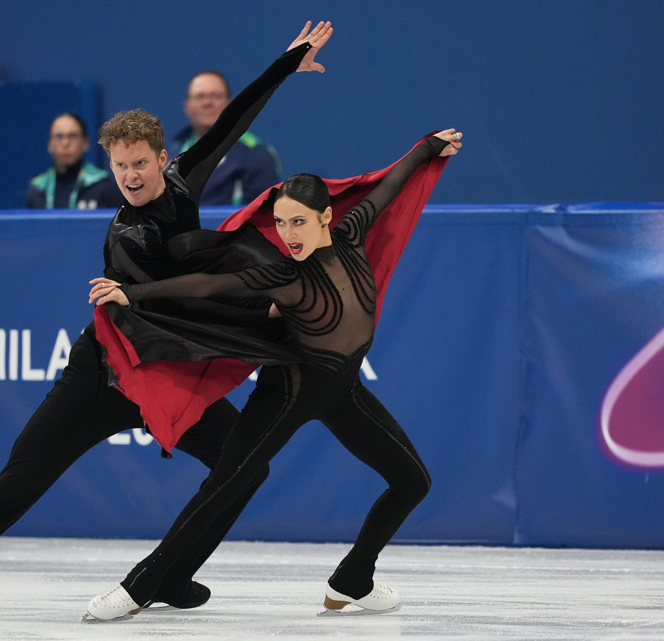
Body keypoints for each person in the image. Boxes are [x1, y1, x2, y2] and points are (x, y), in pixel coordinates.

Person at [0, 20, 333, 618]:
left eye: (140, 163)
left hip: (161, 370)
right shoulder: (127, 236)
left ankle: (169, 574)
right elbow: (188, 301)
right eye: (119, 167)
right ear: (108, 167)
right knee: (24, 474)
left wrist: (284, 65)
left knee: (245, 464)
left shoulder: (181, 183)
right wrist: (264, 306)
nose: (131, 177)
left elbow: (232, 121)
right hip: (105, 371)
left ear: (164, 159)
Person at [84, 128, 462, 621]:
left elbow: (388, 186)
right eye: (281, 223)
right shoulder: (284, 275)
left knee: (412, 482)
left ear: (327, 218)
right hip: (289, 393)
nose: (288, 234)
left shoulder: (353, 236)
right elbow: (207, 284)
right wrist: (132, 294)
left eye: (299, 222)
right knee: (224, 483)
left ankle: (353, 579)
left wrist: (429, 148)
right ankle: (136, 588)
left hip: (343, 391)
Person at [170, 70, 283, 206]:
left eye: (216, 96)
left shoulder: (257, 156)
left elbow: (263, 217)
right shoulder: (170, 157)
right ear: (186, 107)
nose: (207, 103)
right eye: (199, 97)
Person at [25, 113, 123, 210]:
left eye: (72, 136)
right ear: (49, 144)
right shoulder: (38, 191)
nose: (65, 143)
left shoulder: (103, 187)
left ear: (85, 143)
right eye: (58, 136)